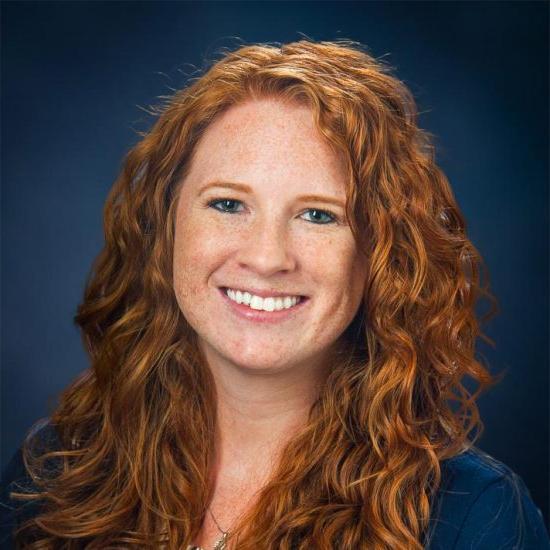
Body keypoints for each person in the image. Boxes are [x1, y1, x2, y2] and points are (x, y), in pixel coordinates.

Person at [0, 39, 548, 550]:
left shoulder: (474, 515)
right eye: (228, 204)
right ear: (166, 226)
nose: (266, 258)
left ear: (380, 252)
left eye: (318, 215)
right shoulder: (57, 469)